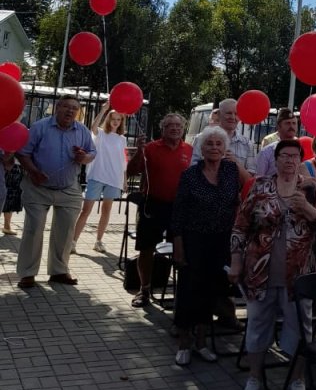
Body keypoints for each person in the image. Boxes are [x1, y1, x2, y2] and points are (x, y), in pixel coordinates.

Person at [230, 140, 316, 390]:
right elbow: (240, 226)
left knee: (300, 329)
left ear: (300, 160)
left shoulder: (310, 188)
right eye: (284, 156)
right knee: (257, 327)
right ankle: (254, 379)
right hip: (260, 273)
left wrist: (309, 211)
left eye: (294, 156)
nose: (289, 160)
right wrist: (236, 261)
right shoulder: (261, 186)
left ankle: (297, 381)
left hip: (298, 276)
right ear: (274, 160)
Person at [172, 126, 245, 366]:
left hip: (221, 240)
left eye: (219, 144)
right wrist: (179, 247)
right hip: (193, 240)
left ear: (225, 149)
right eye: (209, 144)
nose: (214, 148)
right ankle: (184, 343)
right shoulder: (190, 175)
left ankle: (201, 343)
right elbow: (179, 214)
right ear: (201, 149)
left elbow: (237, 203)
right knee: (188, 291)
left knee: (210, 291)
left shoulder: (231, 171)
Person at [16, 95, 97, 288]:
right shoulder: (40, 127)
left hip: (69, 189)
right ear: (57, 107)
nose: (70, 111)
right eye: (66, 107)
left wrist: (84, 157)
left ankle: (59, 271)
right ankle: (27, 273)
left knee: (66, 230)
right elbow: (23, 152)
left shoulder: (83, 130)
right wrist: (34, 172)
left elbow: (92, 153)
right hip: (37, 187)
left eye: (74, 108)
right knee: (34, 229)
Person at [126, 113, 193, 308]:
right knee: (146, 249)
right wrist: (139, 151)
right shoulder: (149, 148)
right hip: (153, 205)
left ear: (183, 129)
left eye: (178, 126)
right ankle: (144, 289)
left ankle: (182, 292)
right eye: (170, 125)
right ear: (162, 129)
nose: (174, 128)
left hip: (181, 207)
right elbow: (130, 171)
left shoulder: (190, 150)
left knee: (182, 249)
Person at [72, 103, 127, 254]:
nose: (115, 121)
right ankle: (73, 241)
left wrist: (124, 180)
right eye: (113, 118)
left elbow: (123, 161)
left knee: (106, 210)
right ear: (108, 120)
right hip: (97, 175)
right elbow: (93, 127)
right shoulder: (101, 133)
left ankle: (99, 241)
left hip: (114, 178)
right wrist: (103, 110)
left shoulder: (122, 139)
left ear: (122, 121)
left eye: (119, 119)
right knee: (86, 210)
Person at [192, 98, 256, 177]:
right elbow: (193, 169)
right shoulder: (201, 139)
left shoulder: (247, 144)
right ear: (218, 115)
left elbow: (250, 178)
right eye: (228, 113)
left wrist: (236, 163)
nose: (232, 117)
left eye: (236, 114)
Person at [254, 107, 309, 179]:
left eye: (294, 123)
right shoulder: (267, 152)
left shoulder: (302, 149)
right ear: (278, 127)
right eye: (287, 123)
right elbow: (259, 179)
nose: (291, 126)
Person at [2, 151, 22, 235]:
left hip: (14, 166)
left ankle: (7, 225)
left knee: (10, 195)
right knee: (10, 195)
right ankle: (7, 226)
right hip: (12, 166)